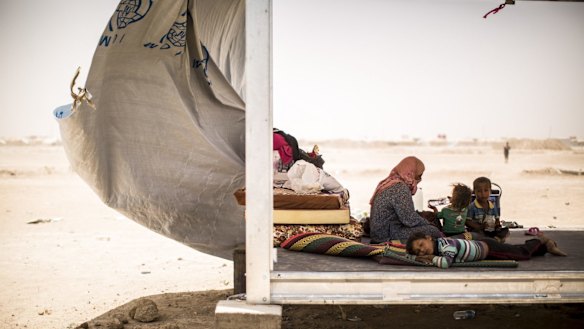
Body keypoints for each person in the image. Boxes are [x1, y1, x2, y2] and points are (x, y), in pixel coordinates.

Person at [369, 156, 443, 243]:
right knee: (433, 231)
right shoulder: (400, 188)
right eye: (419, 175)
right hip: (387, 236)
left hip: (380, 233)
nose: (420, 179)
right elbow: (409, 220)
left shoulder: (389, 183)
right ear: (411, 172)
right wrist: (428, 224)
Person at [405, 232, 567, 269]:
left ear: (428, 238)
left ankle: (541, 239)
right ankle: (545, 247)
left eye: (420, 244)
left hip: (489, 249)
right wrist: (431, 258)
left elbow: (446, 263)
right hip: (484, 248)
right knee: (513, 250)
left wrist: (430, 259)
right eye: (418, 252)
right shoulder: (439, 249)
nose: (422, 251)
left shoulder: (445, 244)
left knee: (520, 254)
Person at [466, 176, 509, 242]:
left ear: (490, 191)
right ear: (474, 192)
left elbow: (497, 218)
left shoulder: (493, 206)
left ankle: (494, 239)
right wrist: (479, 227)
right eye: (479, 191)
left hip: (491, 230)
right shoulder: (472, 207)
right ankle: (492, 240)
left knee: (506, 231)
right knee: (475, 234)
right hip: (479, 231)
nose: (483, 194)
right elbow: (468, 221)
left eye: (486, 191)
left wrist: (497, 226)